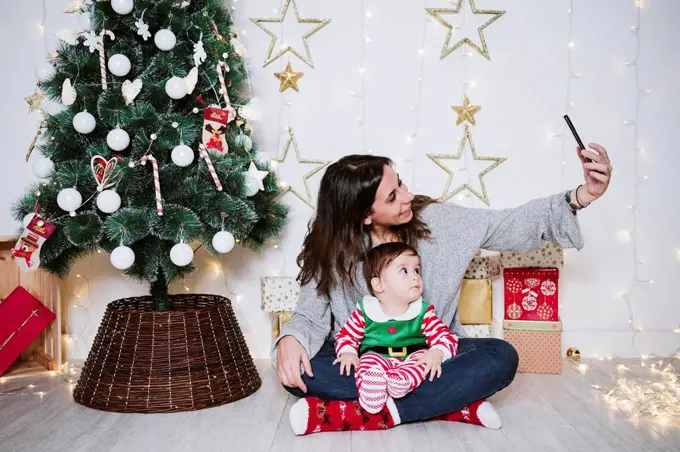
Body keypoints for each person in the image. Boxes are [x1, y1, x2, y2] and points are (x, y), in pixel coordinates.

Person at [274, 144, 612, 435]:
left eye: (401, 184)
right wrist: (292, 340)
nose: (407, 196)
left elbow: (507, 223)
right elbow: (309, 314)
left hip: (433, 359)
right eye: (393, 197)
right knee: (295, 373)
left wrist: (581, 196)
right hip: (368, 363)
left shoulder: (438, 222)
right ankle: (448, 405)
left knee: (501, 357)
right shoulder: (332, 249)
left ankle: (375, 413)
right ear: (364, 215)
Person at [334, 242, 459, 415]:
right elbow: (347, 335)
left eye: (417, 270)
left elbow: (445, 336)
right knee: (367, 362)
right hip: (377, 356)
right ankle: (372, 386)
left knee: (423, 362)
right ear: (378, 285)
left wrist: (437, 352)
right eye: (404, 271)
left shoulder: (422, 312)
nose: (415, 277)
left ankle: (404, 380)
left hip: (411, 357)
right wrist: (348, 352)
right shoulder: (366, 311)